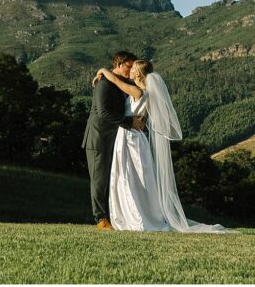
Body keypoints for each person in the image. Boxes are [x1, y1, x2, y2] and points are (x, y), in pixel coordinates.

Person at [94, 59, 231, 233]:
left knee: (130, 178)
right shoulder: (147, 92)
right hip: (134, 137)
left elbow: (115, 81)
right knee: (136, 178)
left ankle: (136, 216)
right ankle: (138, 214)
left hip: (130, 138)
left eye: (133, 68)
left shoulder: (137, 91)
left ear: (138, 74)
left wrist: (103, 71)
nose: (130, 70)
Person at [81, 51, 145, 230]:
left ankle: (115, 217)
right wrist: (129, 122)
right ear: (119, 64)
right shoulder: (104, 83)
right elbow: (104, 112)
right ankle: (100, 219)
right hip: (98, 138)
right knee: (99, 180)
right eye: (128, 66)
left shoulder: (120, 82)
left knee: (113, 179)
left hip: (115, 139)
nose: (131, 69)